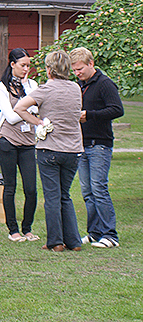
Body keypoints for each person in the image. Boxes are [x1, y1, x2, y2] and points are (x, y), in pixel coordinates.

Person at [14, 50, 83, 252]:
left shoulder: (45, 89)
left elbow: (19, 107)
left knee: (52, 196)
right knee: (65, 195)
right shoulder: (76, 88)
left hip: (50, 148)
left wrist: (38, 121)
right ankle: (74, 241)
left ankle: (55, 241)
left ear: (50, 70)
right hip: (73, 149)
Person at [70, 47, 124, 248]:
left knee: (99, 188)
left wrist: (90, 114)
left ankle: (111, 235)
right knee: (87, 191)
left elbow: (117, 109)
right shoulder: (79, 85)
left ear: (91, 64)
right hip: (82, 144)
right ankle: (94, 232)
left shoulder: (105, 84)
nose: (77, 73)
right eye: (74, 70)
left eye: (80, 69)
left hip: (99, 144)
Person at [0, 47, 40, 243]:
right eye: (22, 65)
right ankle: (13, 230)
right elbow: (10, 117)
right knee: (10, 186)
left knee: (31, 189)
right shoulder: (1, 87)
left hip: (28, 141)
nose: (26, 69)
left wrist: (26, 89)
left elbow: (38, 107)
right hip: (8, 140)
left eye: (28, 65)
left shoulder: (32, 85)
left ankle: (27, 228)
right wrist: (29, 110)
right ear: (12, 65)